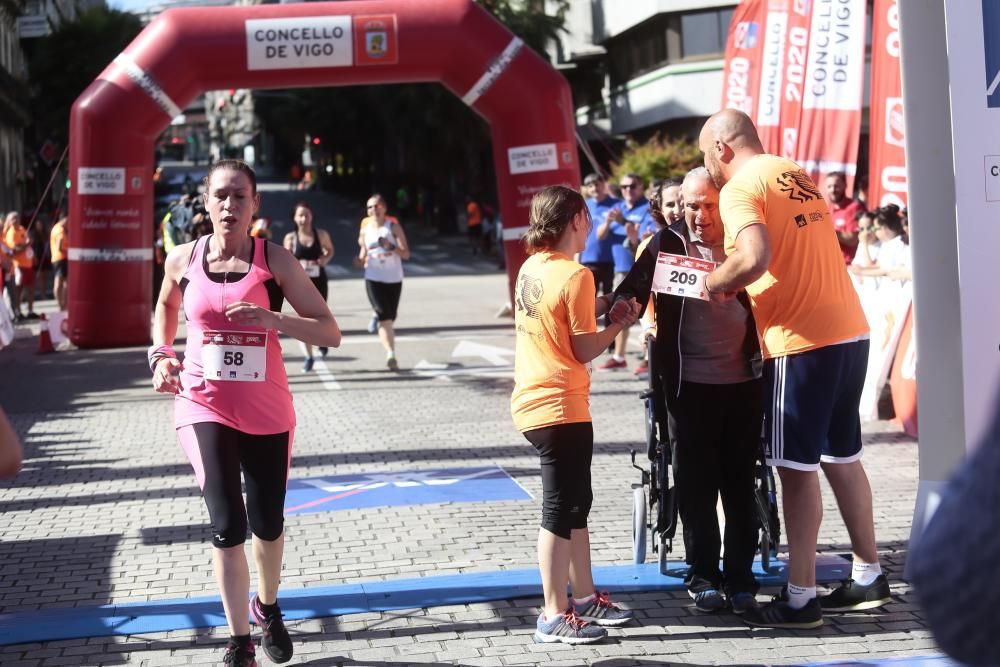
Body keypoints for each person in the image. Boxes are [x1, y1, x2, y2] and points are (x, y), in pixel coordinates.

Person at [698, 109, 888, 629]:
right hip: (849, 329)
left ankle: (801, 597)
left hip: (801, 341)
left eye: (706, 159)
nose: (710, 173)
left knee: (796, 470)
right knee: (841, 455)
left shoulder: (740, 187)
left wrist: (713, 282)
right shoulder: (792, 171)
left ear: (721, 148)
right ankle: (870, 573)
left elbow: (755, 258)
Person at [150, 159, 341, 667]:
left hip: (266, 409)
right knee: (227, 523)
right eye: (221, 196)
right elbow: (166, 308)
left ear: (255, 204)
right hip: (202, 402)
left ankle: (269, 606)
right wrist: (162, 355)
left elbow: (329, 330)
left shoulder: (274, 261)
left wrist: (272, 319)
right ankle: (238, 642)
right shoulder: (181, 259)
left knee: (268, 525)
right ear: (206, 203)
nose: (230, 205)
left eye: (240, 196)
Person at [613, 168, 763, 615]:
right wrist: (620, 306)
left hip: (744, 380)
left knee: (740, 482)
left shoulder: (746, 240)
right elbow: (634, 290)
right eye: (691, 206)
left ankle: (741, 577)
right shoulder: (667, 243)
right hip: (686, 384)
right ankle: (702, 574)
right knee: (695, 485)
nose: (698, 215)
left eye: (708, 206)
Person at [511, 185, 640, 645]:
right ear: (577, 220)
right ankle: (553, 612)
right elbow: (583, 346)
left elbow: (558, 315)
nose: (589, 225)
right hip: (559, 404)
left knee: (575, 506)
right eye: (586, 217)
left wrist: (604, 307)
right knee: (559, 510)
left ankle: (583, 596)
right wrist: (619, 324)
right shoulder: (576, 274)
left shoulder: (533, 266)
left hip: (535, 399)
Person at [602, 173, 653, 371]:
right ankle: (619, 356)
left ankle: (649, 359)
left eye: (632, 186)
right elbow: (599, 235)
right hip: (621, 269)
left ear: (641, 186)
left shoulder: (647, 209)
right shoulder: (619, 208)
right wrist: (608, 222)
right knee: (620, 313)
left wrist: (623, 223)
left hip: (642, 269)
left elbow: (646, 241)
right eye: (623, 187)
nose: (628, 190)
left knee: (645, 314)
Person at [354, 194, 410, 370]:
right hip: (373, 277)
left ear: (384, 208)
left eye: (376, 206)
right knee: (384, 316)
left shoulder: (393, 227)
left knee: (391, 317)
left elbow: (406, 254)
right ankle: (391, 354)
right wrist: (358, 261)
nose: (373, 210)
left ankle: (377, 317)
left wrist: (391, 246)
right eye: (370, 207)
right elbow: (363, 253)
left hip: (393, 278)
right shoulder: (366, 230)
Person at [283, 202, 335, 372]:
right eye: (300, 215)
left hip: (319, 281)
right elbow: (285, 259)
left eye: (306, 215)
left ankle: (322, 340)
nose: (304, 219)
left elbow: (329, 250)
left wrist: (324, 260)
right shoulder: (290, 238)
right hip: (300, 285)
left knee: (320, 316)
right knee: (303, 319)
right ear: (295, 218)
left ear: (311, 216)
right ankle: (309, 356)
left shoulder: (321, 235)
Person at [579, 173, 623, 366]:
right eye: (590, 185)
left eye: (597, 184)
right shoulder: (585, 206)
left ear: (604, 185)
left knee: (611, 301)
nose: (594, 188)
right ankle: (588, 337)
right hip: (590, 259)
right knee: (589, 302)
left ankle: (611, 342)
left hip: (612, 260)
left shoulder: (616, 204)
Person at [824, 171, 864, 264]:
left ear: (845, 185)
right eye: (829, 186)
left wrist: (827, 230)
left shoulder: (854, 207)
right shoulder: (827, 208)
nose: (833, 190)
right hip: (829, 264)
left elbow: (853, 240)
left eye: (836, 186)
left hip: (848, 266)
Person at [3, 212, 36, 321]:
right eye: (13, 219)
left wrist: (31, 253)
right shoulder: (10, 233)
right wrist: (26, 244)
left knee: (30, 288)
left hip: (28, 264)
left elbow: (26, 245)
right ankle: (17, 311)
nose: (16, 220)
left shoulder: (22, 229)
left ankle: (30, 311)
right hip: (17, 265)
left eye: (17, 218)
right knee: (18, 290)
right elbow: (15, 250)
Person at [50, 216, 68, 311]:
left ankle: (63, 304)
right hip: (61, 259)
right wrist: (70, 251)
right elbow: (59, 247)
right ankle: (62, 305)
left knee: (63, 283)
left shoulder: (57, 228)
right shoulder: (60, 230)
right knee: (61, 282)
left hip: (59, 259)